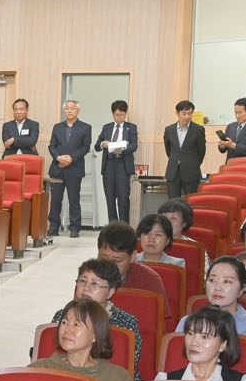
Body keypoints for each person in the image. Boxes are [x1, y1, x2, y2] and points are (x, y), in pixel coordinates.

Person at [49, 259, 143, 378]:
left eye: (94, 284)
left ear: (110, 292)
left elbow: (128, 366)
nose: (86, 288)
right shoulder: (62, 315)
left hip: (108, 380)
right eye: (83, 281)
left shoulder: (126, 323)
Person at [178, 255, 246, 365]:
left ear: (242, 289)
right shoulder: (186, 322)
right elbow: (177, 365)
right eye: (212, 280)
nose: (217, 287)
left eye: (227, 281)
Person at [47, 99, 92, 237]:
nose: (69, 110)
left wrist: (71, 159)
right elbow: (52, 146)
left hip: (74, 169)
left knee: (74, 200)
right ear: (64, 111)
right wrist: (58, 158)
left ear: (77, 111)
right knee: (55, 200)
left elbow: (85, 147)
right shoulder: (57, 127)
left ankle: (75, 228)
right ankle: (54, 226)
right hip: (58, 168)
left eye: (72, 108)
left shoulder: (85, 127)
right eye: (67, 108)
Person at [94, 221, 168, 299]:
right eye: (104, 259)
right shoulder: (88, 277)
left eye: (117, 261)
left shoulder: (150, 281)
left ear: (132, 257)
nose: (109, 267)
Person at [95, 100, 139, 224]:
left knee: (123, 199)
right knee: (110, 199)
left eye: (122, 115)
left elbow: (134, 146)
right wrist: (103, 144)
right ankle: (113, 227)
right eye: (117, 115)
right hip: (109, 165)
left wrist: (120, 149)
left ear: (125, 113)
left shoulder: (131, 127)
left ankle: (124, 227)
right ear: (113, 114)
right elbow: (97, 146)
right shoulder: (107, 127)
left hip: (123, 166)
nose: (119, 117)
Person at [161, 100, 204, 201]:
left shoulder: (198, 130)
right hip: (173, 172)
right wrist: (176, 159)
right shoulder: (169, 130)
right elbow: (168, 150)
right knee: (173, 203)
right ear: (177, 113)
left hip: (191, 172)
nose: (187, 117)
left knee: (191, 202)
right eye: (184, 113)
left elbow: (201, 152)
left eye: (190, 113)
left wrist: (192, 164)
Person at [219, 97, 246, 162]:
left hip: (245, 164)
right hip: (230, 164)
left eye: (240, 112)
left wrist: (233, 145)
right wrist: (222, 146)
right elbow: (223, 150)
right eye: (236, 113)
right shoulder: (230, 127)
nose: (237, 116)